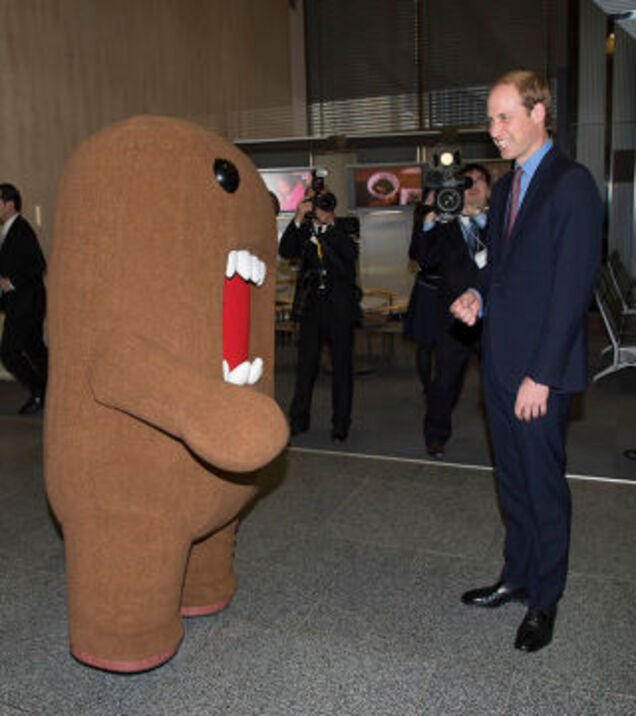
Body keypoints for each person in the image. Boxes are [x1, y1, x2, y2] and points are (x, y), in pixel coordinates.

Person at [451, 71, 602, 652]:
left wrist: (542, 374)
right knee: (512, 480)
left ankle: (545, 598)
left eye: (504, 116)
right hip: (500, 362)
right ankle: (516, 576)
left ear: (539, 113)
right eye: (490, 119)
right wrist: (478, 294)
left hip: (539, 370)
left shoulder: (571, 184)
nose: (495, 130)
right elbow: (502, 266)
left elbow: (571, 290)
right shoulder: (511, 184)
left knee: (542, 486)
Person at [408, 164, 491, 457]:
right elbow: (422, 257)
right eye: (468, 182)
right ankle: (435, 436)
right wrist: (431, 216)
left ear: (489, 190)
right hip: (453, 320)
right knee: (444, 382)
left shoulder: (499, 223)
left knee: (496, 381)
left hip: (493, 319)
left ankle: (504, 436)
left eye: (480, 181)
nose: (474, 187)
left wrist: (479, 218)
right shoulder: (445, 225)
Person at [279, 188, 359, 441]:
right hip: (311, 308)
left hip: (340, 309)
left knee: (342, 368)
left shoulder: (346, 226)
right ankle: (299, 419)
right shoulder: (303, 229)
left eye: (324, 201)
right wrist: (298, 217)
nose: (320, 206)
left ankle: (341, 423)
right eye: (315, 201)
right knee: (305, 367)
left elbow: (350, 256)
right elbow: (285, 251)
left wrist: (329, 225)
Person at [0, 183, 48, 414]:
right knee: (35, 349)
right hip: (23, 303)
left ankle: (39, 390)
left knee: (8, 353)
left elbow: (38, 264)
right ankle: (56, 388)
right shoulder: (8, 230)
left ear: (9, 204)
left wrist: (11, 282)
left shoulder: (21, 229)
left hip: (26, 304)